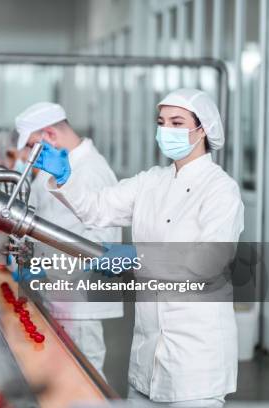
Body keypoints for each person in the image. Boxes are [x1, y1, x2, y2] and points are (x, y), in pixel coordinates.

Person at [36, 89, 243, 407]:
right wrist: (65, 178)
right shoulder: (151, 181)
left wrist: (137, 257)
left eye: (177, 122)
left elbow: (208, 261)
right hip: (147, 355)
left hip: (197, 360)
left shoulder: (221, 190)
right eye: (162, 122)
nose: (166, 130)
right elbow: (98, 208)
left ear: (202, 129)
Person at [15, 102, 123, 377]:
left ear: (50, 135)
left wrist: (47, 266)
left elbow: (101, 243)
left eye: (31, 146)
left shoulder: (90, 171)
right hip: (59, 292)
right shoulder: (64, 165)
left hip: (79, 299)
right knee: (63, 374)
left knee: (83, 376)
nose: (28, 155)